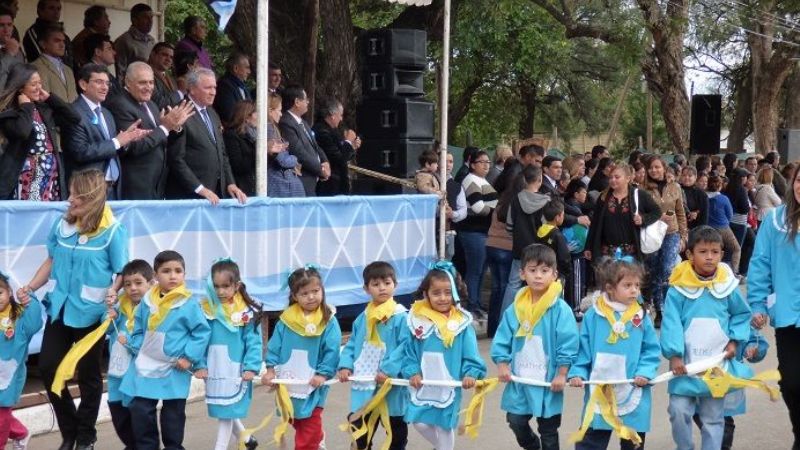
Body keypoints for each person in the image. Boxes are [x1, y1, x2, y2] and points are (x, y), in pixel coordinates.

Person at [17, 169, 128, 450]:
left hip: (92, 313)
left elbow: (121, 271)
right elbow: (51, 261)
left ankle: (86, 437)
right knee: (49, 367)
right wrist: (29, 287)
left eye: (76, 195)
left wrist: (114, 292)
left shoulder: (112, 230)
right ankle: (71, 431)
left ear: (90, 198)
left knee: (89, 376)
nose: (69, 199)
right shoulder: (61, 225)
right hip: (61, 308)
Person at [661, 226, 751, 450]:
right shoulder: (678, 288)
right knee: (678, 410)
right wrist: (674, 355)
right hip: (685, 366)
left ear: (722, 254)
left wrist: (735, 341)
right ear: (690, 254)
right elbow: (671, 323)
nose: (709, 257)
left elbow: (741, 314)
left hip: (715, 366)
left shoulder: (726, 285)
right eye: (703, 251)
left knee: (713, 419)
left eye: (715, 251)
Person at [118, 250, 211, 450]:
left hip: (174, 368)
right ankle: (147, 446)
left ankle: (173, 447)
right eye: (166, 271)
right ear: (155, 275)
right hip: (146, 365)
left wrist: (189, 357)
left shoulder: (188, 304)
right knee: (141, 409)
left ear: (184, 274)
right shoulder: (147, 301)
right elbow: (139, 327)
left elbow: (201, 332)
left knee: (173, 415)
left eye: (178, 271)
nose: (173, 275)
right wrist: (135, 344)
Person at [491, 244, 579, 450]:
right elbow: (502, 338)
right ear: (522, 273)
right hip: (520, 380)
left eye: (544, 271)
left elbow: (569, 342)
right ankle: (532, 446)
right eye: (532, 270)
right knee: (515, 420)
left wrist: (562, 372)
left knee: (548, 430)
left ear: (554, 275)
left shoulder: (560, 309)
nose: (538, 276)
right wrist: (503, 364)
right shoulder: (515, 308)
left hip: (548, 381)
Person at [568, 257, 659, 450]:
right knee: (589, 442)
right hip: (600, 390)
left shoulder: (642, 316)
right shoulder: (594, 315)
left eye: (637, 285)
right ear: (610, 288)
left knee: (632, 442)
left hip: (633, 387)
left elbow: (650, 350)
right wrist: (577, 372)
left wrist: (645, 371)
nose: (634, 290)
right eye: (627, 285)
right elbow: (583, 350)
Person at [400, 262, 486, 450]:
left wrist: (471, 373)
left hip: (449, 384)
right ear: (426, 294)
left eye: (448, 292)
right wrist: (412, 371)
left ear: (455, 293)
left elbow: (470, 355)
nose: (442, 298)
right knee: (419, 422)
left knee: (445, 426)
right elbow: (409, 351)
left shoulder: (462, 323)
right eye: (436, 293)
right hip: (423, 382)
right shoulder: (417, 319)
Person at [262, 266, 342, 450]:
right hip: (289, 380)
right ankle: (317, 436)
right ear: (294, 296)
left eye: (315, 291)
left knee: (308, 427)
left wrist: (323, 374)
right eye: (305, 293)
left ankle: (313, 439)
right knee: (294, 417)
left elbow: (332, 350)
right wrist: (271, 369)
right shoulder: (286, 319)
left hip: (313, 382)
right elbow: (274, 346)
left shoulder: (328, 319)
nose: (311, 297)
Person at [750, 163, 800, 448]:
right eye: (799, 180)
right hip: (788, 316)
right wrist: (758, 304)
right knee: (792, 383)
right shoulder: (776, 221)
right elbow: (760, 266)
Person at [337, 261, 409, 450]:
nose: (382, 288)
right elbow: (352, 344)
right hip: (365, 384)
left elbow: (405, 347)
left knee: (395, 431)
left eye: (387, 283)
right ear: (366, 288)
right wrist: (345, 365)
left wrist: (389, 370)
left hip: (391, 385)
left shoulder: (401, 316)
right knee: (360, 429)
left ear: (396, 284)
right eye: (376, 284)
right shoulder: (362, 318)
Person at [196, 259, 262, 450]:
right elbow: (200, 340)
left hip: (236, 369)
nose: (220, 291)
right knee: (225, 407)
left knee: (226, 410)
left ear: (237, 285)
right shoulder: (206, 308)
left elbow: (254, 342)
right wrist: (199, 364)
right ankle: (247, 439)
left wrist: (251, 367)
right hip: (214, 366)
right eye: (216, 286)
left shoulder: (246, 311)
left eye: (225, 286)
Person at [105, 61, 194, 200]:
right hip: (136, 186)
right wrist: (165, 127)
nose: (148, 87)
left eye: (151, 83)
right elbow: (133, 147)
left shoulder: (151, 104)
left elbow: (162, 139)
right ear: (128, 82)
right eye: (142, 83)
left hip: (157, 184)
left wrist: (175, 128)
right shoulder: (120, 105)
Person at [63, 64, 150, 200]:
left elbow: (113, 148)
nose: (105, 87)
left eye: (107, 83)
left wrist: (127, 140)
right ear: (83, 84)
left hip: (114, 188)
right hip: (89, 191)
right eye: (99, 82)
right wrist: (117, 142)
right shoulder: (73, 112)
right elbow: (80, 151)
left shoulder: (107, 113)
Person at [166, 68, 247, 204]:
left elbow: (222, 153)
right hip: (189, 197)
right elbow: (175, 159)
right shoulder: (179, 113)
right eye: (208, 88)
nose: (213, 92)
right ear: (192, 89)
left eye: (214, 87)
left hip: (215, 194)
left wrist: (230, 183)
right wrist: (199, 188)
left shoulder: (212, 113)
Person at [0, 63, 80, 201]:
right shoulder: (9, 113)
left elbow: (74, 118)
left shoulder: (43, 109)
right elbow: (22, 132)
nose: (38, 88)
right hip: (27, 175)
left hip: (50, 173)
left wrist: (50, 98)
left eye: (40, 83)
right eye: (33, 84)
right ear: (20, 87)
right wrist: (26, 106)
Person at [104, 259, 153, 450]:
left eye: (138, 283)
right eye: (127, 284)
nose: (133, 288)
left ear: (151, 283)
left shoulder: (153, 309)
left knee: (141, 420)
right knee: (119, 416)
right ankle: (131, 445)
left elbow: (151, 341)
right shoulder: (120, 307)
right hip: (117, 374)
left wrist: (131, 344)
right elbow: (106, 329)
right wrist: (109, 316)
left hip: (138, 376)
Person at [643, 156, 688, 326]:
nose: (654, 170)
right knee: (654, 271)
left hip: (672, 233)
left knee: (667, 269)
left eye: (657, 167)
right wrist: (657, 217)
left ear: (664, 168)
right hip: (652, 235)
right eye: (651, 168)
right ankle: (659, 310)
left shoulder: (674, 187)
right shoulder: (643, 190)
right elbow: (640, 215)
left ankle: (670, 308)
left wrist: (684, 235)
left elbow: (679, 212)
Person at [585, 163, 662, 262]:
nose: (613, 180)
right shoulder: (603, 197)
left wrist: (643, 219)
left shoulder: (639, 195)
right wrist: (588, 246)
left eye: (617, 177)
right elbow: (595, 223)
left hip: (632, 255)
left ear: (628, 178)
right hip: (606, 255)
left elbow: (657, 212)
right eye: (611, 177)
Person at [0, 271, 42, 449]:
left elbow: (34, 324)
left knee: (1, 416)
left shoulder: (20, 319)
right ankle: (20, 433)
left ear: (9, 291)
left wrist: (29, 301)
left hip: (7, 377)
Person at [502, 165, 549, 313]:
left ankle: (505, 317)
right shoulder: (545, 201)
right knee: (539, 283)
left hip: (519, 249)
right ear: (540, 180)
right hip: (539, 249)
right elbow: (545, 228)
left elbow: (509, 226)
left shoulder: (515, 200)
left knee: (513, 284)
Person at [460, 150, 499, 317]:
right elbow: (478, 208)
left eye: (488, 162)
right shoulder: (470, 180)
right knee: (475, 270)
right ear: (472, 164)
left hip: (483, 231)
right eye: (482, 162)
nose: (486, 165)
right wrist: (495, 210)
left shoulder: (482, 180)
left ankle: (476, 303)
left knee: (482, 269)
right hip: (473, 231)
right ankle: (471, 304)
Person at [279, 85, 330, 196]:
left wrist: (325, 161)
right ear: (297, 102)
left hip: (312, 178)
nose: (308, 102)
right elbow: (298, 152)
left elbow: (315, 146)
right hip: (303, 179)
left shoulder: (303, 122)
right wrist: (320, 170)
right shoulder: (286, 122)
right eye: (305, 99)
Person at [313, 97, 360, 196]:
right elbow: (338, 158)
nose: (341, 118)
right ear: (333, 115)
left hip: (339, 183)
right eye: (340, 115)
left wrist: (352, 146)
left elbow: (344, 154)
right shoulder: (322, 131)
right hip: (330, 184)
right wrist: (348, 141)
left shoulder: (333, 130)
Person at [265, 94, 304, 197]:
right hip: (278, 185)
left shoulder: (272, 128)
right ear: (270, 111)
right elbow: (282, 160)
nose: (281, 114)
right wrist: (295, 159)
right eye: (279, 110)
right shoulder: (269, 128)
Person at [31, 26, 77, 103]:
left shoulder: (68, 70)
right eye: (57, 41)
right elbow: (41, 100)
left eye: (63, 41)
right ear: (43, 44)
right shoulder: (35, 67)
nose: (62, 45)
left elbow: (75, 97)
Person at [706, 173, 741, 274]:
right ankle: (734, 272)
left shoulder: (704, 197)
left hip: (708, 228)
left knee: (712, 251)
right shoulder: (723, 199)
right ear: (720, 186)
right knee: (736, 249)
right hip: (723, 227)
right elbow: (730, 215)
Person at [223, 100, 259, 196]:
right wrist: (259, 150)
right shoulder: (231, 135)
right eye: (257, 113)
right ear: (247, 116)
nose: (260, 117)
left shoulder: (255, 135)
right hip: (241, 188)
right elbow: (238, 166)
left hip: (254, 184)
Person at [23, 0, 72, 67]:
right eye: (51, 8)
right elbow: (40, 58)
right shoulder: (33, 32)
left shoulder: (63, 35)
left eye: (58, 9)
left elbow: (70, 59)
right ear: (40, 11)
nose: (56, 12)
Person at [534, 199, 572, 285]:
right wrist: (567, 272)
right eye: (563, 214)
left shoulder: (540, 230)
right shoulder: (558, 236)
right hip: (556, 274)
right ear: (557, 217)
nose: (563, 216)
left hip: (542, 270)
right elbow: (564, 258)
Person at [113, 3, 155, 79]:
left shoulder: (151, 40)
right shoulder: (124, 41)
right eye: (146, 17)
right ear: (134, 20)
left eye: (151, 17)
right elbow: (121, 72)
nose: (150, 21)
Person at [214, 52, 252, 125]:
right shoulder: (224, 86)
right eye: (247, 68)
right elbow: (229, 114)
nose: (249, 72)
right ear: (236, 68)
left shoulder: (243, 86)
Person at [84, 33, 123, 100]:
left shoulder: (106, 73)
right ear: (98, 52)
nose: (114, 52)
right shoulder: (89, 74)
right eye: (109, 49)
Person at [71, 5, 110, 70]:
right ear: (96, 22)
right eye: (106, 18)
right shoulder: (85, 40)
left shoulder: (89, 35)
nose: (109, 22)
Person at [148, 42, 176, 109]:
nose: (168, 59)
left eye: (171, 57)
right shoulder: (145, 75)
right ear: (153, 54)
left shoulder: (170, 78)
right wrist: (180, 93)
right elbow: (159, 102)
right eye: (164, 55)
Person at [0, 7, 23, 89]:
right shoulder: (12, 50)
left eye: (9, 25)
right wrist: (9, 54)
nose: (6, 30)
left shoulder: (17, 49)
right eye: (1, 25)